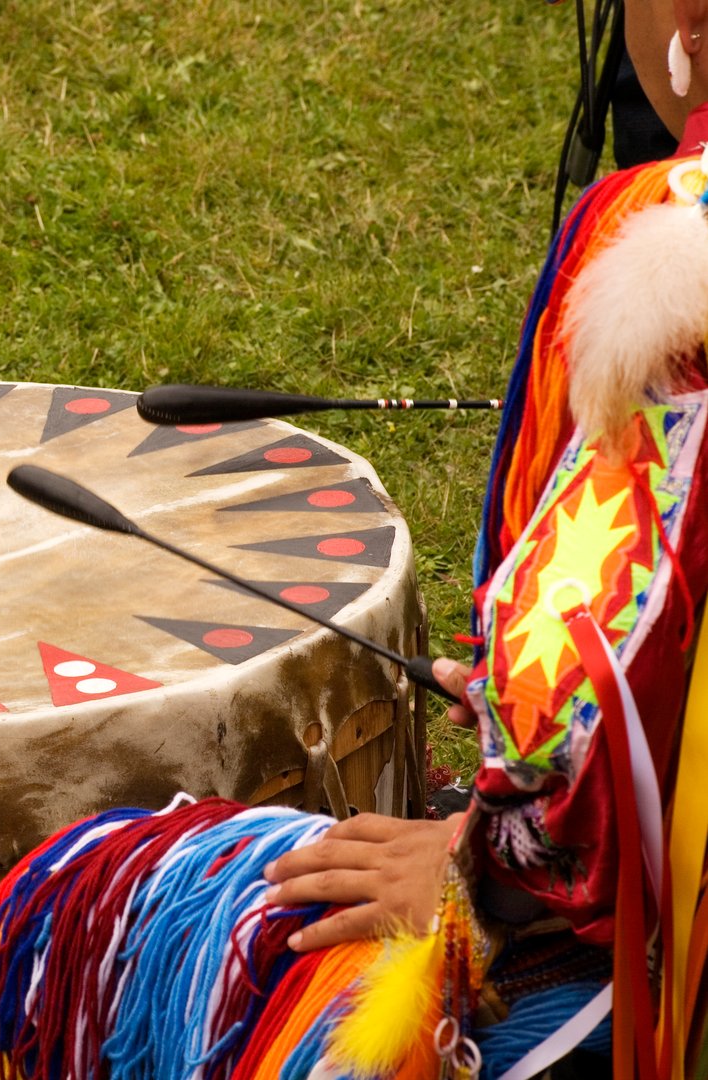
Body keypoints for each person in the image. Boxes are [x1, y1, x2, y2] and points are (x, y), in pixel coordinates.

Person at [258, 0, 708, 1074]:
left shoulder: (671, 247)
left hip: (670, 953)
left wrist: (484, 864)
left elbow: (600, 651)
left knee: (154, 915)